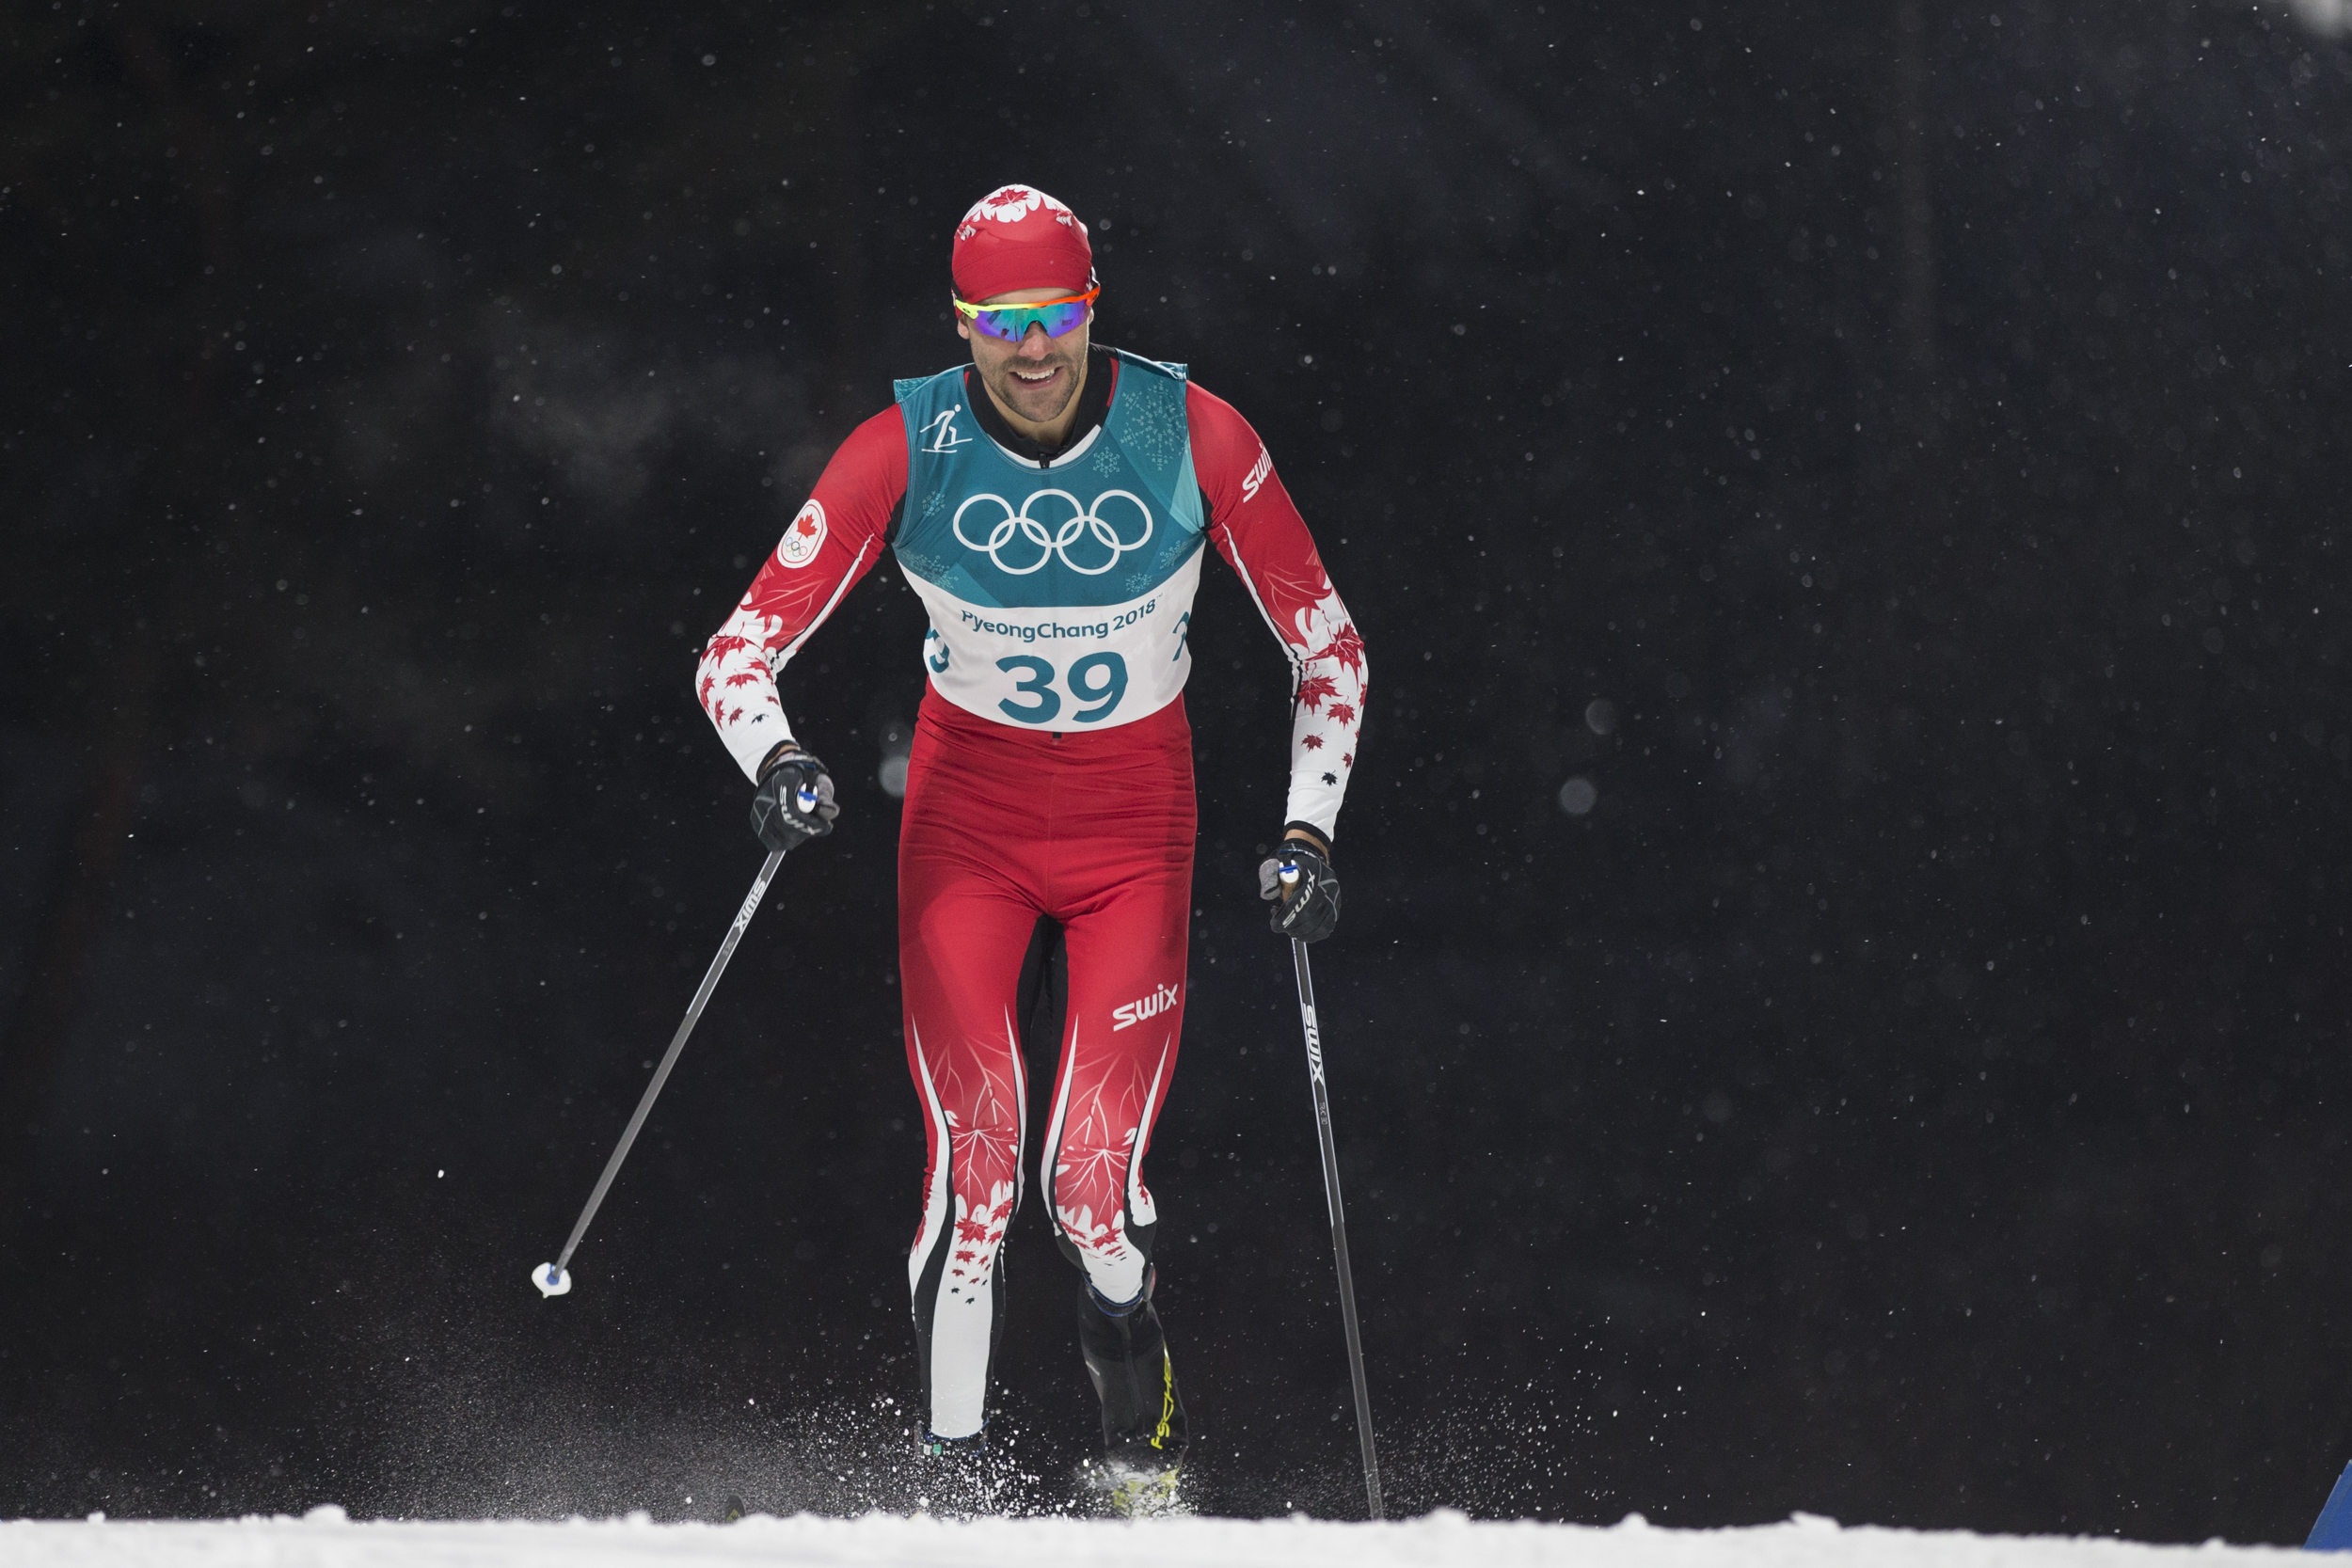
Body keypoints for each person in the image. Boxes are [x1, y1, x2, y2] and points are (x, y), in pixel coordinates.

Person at [694, 183, 1367, 1511]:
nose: (1035, 348)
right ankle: (953, 1494)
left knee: (1090, 1202)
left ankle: (1134, 1423)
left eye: (1056, 314)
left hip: (1135, 836)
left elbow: (1329, 648)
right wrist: (775, 763)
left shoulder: (1196, 434)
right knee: (977, 1178)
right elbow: (736, 656)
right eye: (1002, 321)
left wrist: (1309, 830)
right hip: (970, 835)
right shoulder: (903, 449)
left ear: (1092, 306)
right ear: (963, 325)